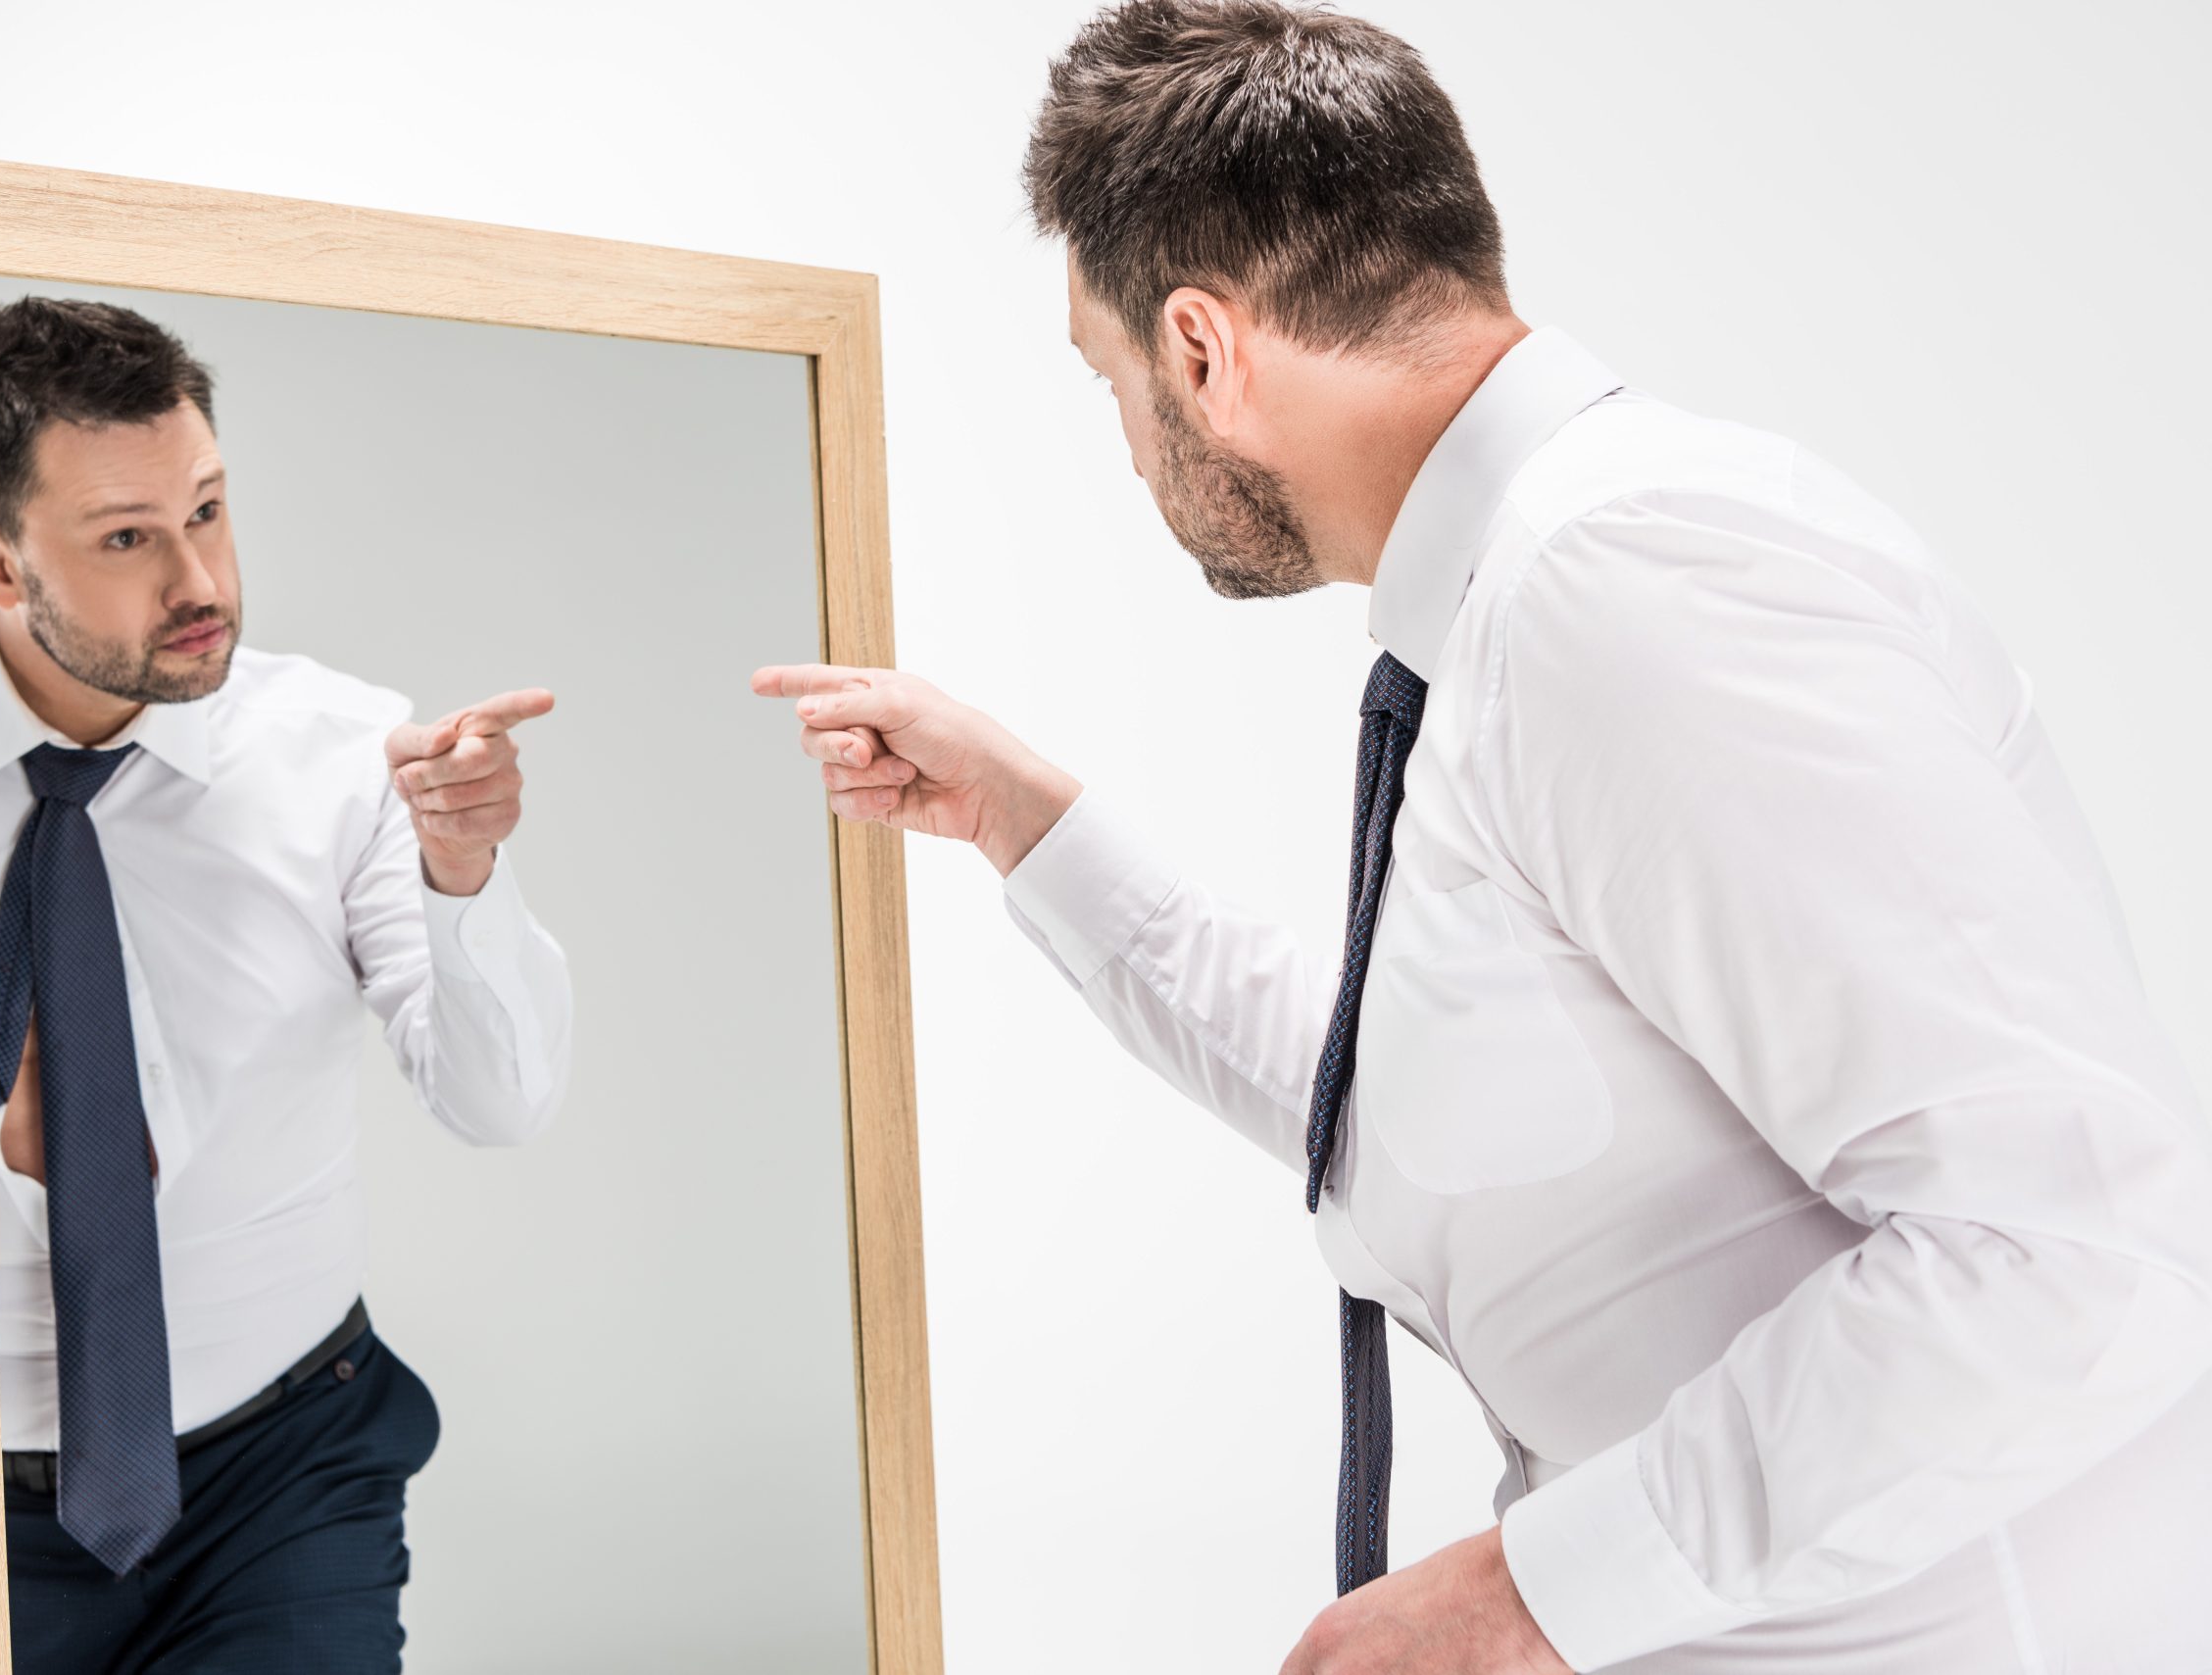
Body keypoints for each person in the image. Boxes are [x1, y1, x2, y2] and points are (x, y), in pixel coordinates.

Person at [756, 4, 2212, 1671]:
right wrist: (1023, 818)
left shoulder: (1624, 587)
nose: (1129, 441)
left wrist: (1522, 1597)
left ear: (1205, 354)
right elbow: (1415, 1100)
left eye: (1112, 379)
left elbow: (2076, 1240)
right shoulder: (1512, 615)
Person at [0, 296, 574, 1672]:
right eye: (128, 538)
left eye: (212, 510)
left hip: (281, 1476)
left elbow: (500, 1101)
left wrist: (462, 871)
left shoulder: (344, 754)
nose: (202, 581)